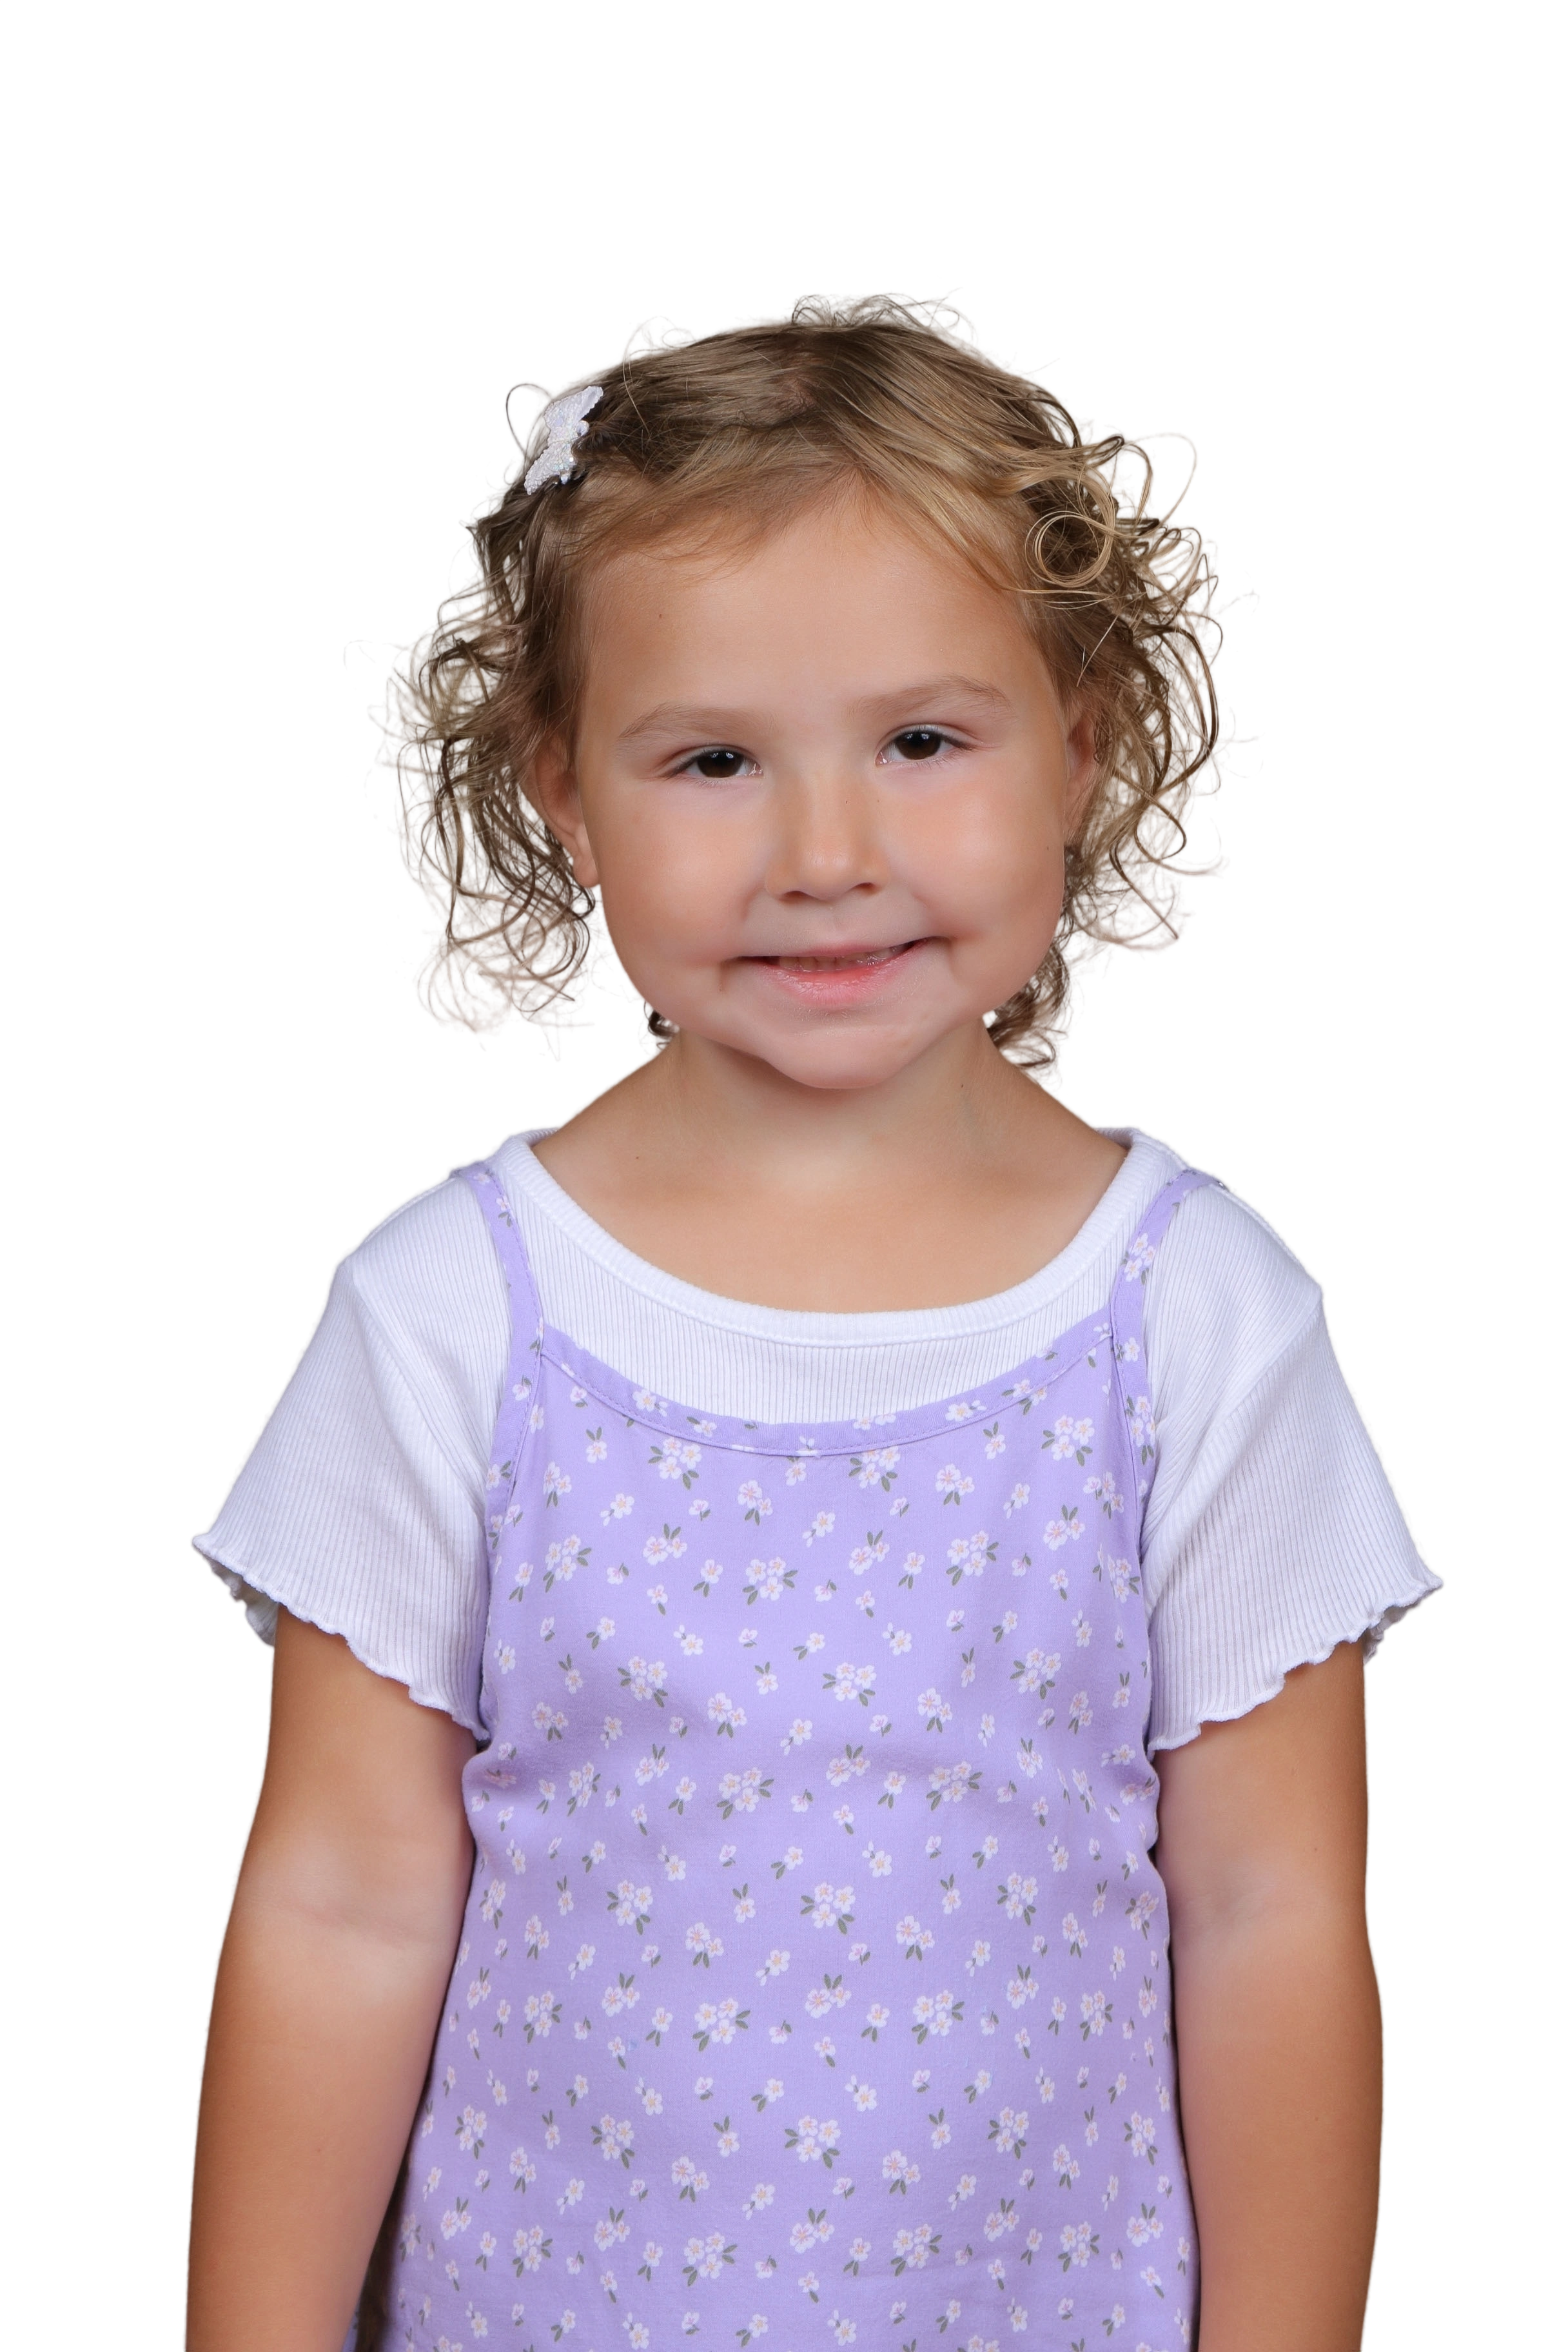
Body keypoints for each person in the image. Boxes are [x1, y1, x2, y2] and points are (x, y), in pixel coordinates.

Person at [184, 290, 1442, 2352]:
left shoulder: (1197, 1318)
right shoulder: (450, 1315)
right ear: (565, 796)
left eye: (923, 741)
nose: (828, 856)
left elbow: (1272, 1915)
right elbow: (340, 1905)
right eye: (714, 760)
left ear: (1083, 747)